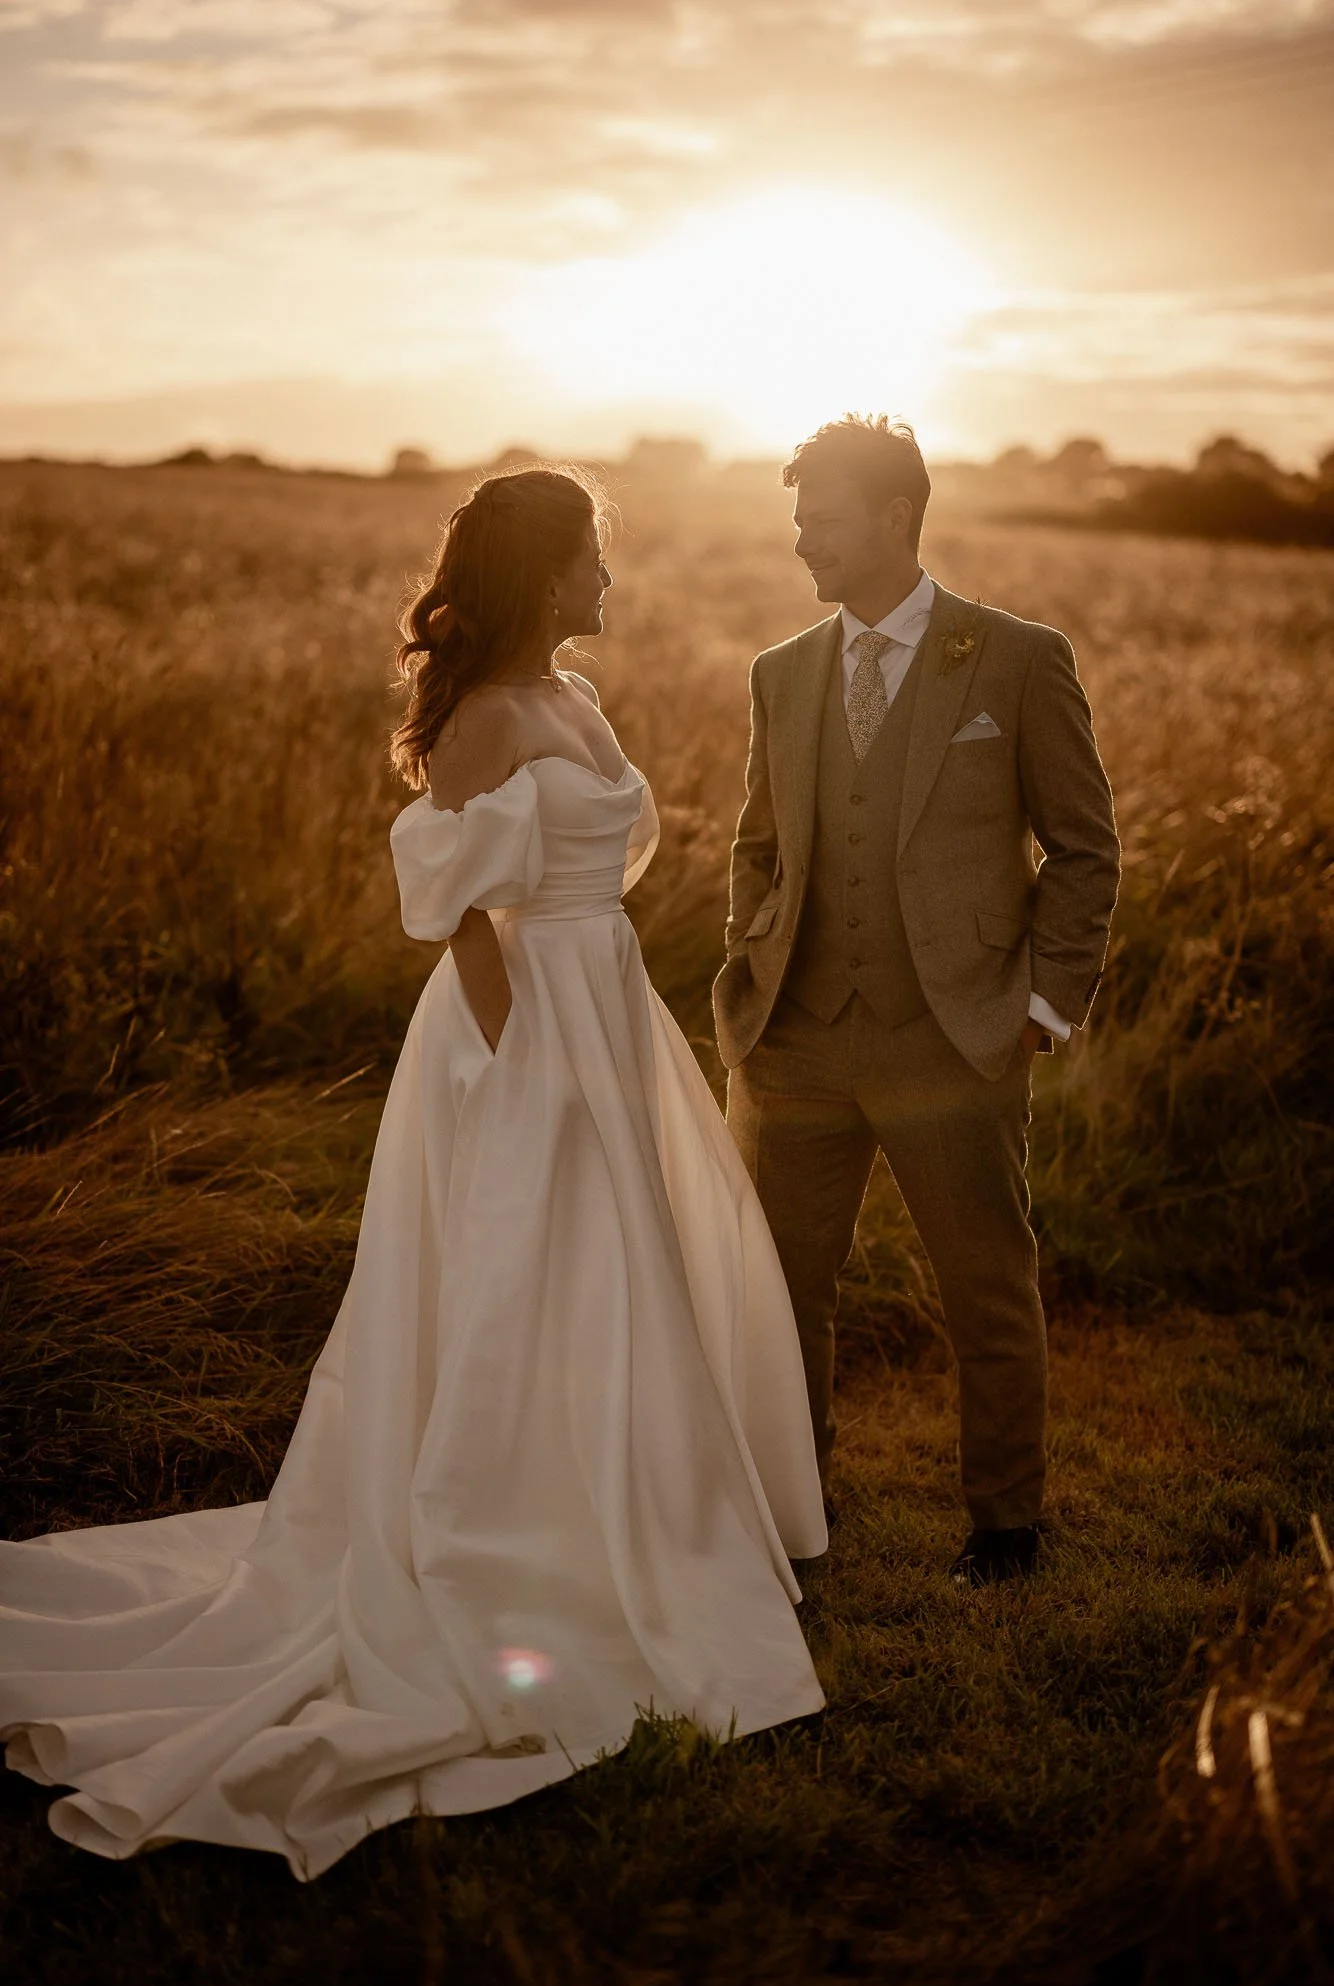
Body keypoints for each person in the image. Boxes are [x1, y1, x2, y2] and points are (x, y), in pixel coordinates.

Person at [0, 466, 826, 1881]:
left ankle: (640, 1506)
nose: (608, 582)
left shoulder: (574, 693)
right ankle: (512, 1535)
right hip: (520, 1032)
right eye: (589, 561)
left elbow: (598, 867)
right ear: (539, 574)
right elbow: (455, 916)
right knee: (528, 1267)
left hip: (605, 1001)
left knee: (629, 1268)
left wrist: (601, 1027)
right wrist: (525, 1067)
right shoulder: (485, 721)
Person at [715, 417, 1120, 1585]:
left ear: (894, 517)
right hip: (790, 1041)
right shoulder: (779, 671)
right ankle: (794, 1512)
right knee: (778, 1294)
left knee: (985, 1281)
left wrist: (1045, 1004)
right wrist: (750, 959)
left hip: (957, 1033)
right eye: (796, 522)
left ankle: (1004, 1523)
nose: (802, 543)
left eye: (822, 520)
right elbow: (759, 844)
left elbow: (1083, 849)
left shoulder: (1012, 658)